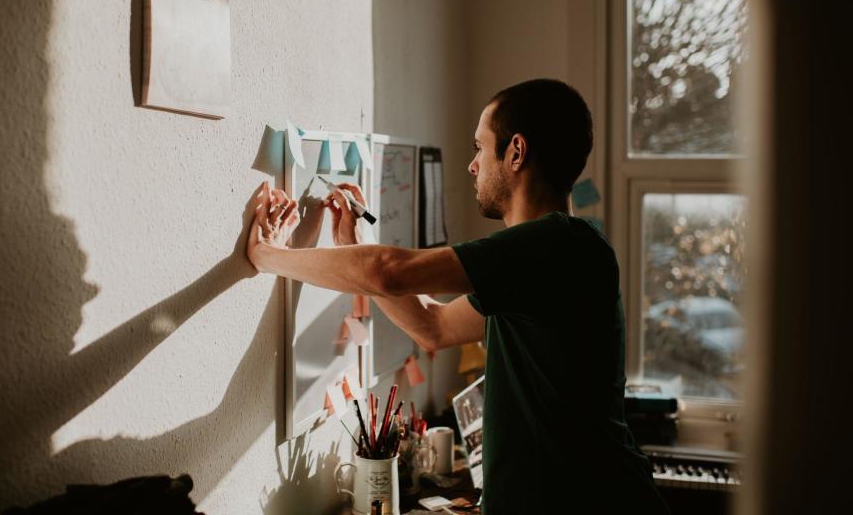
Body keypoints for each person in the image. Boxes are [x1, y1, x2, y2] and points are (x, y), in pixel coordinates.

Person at [246, 79, 668, 513]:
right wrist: (355, 240)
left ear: (516, 152)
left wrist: (267, 255)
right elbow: (432, 326)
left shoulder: (554, 246)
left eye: (479, 147)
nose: (472, 165)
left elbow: (388, 272)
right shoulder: (543, 260)